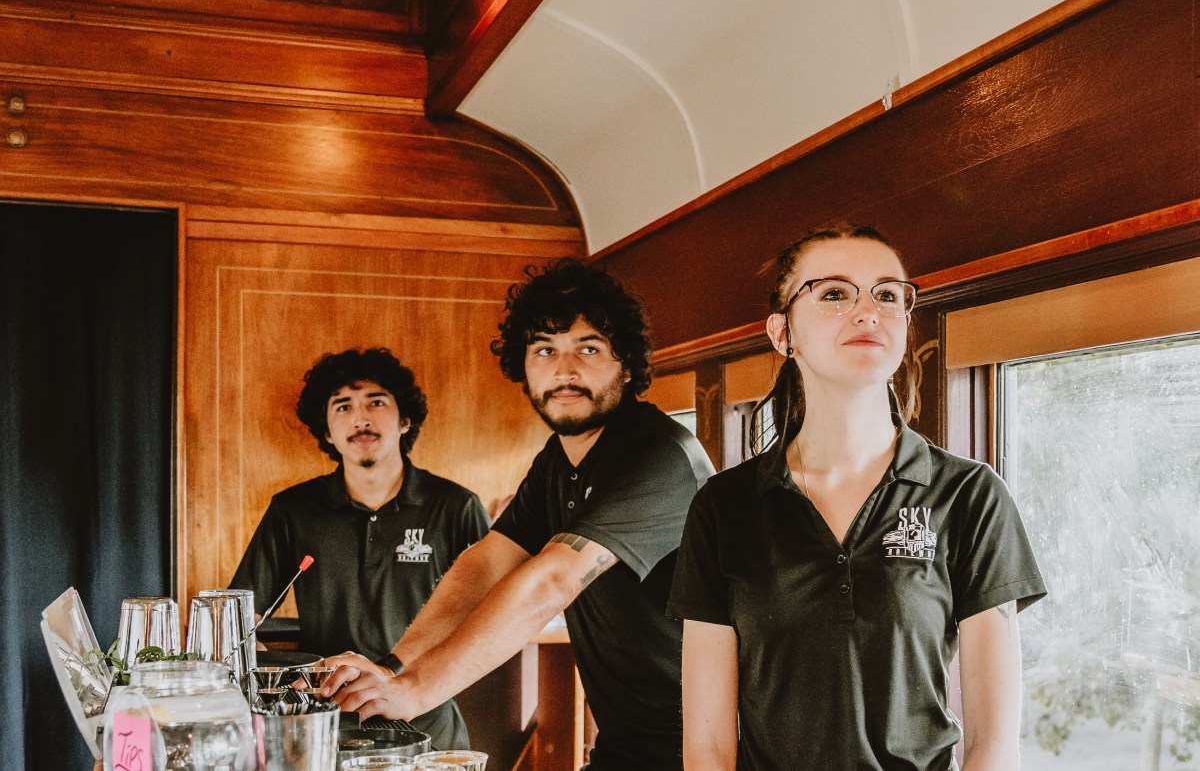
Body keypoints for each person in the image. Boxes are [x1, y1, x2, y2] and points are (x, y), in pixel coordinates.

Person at [667, 223, 1047, 771]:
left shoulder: (969, 496)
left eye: (888, 295)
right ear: (782, 333)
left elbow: (993, 745)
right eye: (834, 294)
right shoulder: (724, 506)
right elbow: (707, 747)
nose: (868, 311)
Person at [320, 259, 716, 771]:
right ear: (523, 367)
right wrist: (394, 666)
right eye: (545, 350)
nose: (564, 370)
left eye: (588, 349)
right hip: (629, 742)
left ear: (627, 365)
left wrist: (413, 693)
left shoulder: (659, 455)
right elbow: (485, 563)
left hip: (706, 746)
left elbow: (552, 579)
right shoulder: (559, 460)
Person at [229, 347, 489, 750]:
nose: (360, 418)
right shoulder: (293, 510)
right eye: (343, 406)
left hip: (427, 717)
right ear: (328, 432)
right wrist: (258, 674)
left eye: (376, 402)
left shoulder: (456, 507)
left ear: (404, 420)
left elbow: (491, 616)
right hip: (327, 719)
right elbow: (242, 616)